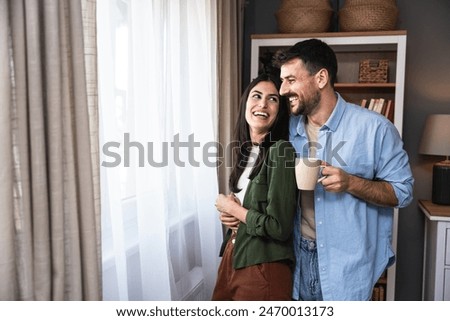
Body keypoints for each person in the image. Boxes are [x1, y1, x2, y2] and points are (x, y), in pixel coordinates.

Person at [273, 39, 414, 301]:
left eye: (291, 80)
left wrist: (351, 183)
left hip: (348, 265)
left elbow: (402, 192)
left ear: (321, 78)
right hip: (296, 257)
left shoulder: (375, 129)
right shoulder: (290, 128)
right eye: (282, 81)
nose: (282, 90)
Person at [212, 72, 298, 300]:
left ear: (279, 111)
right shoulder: (245, 152)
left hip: (263, 265)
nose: (263, 104)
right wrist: (229, 213)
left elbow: (279, 227)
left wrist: (233, 210)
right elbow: (247, 209)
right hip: (234, 254)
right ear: (245, 103)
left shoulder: (281, 150)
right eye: (256, 96)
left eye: (272, 99)